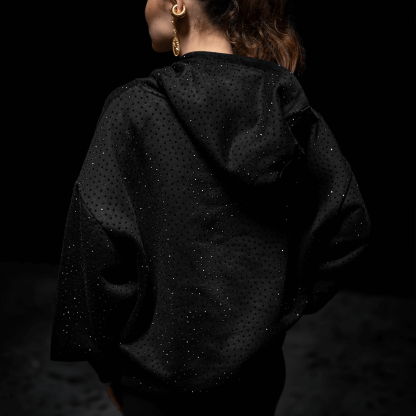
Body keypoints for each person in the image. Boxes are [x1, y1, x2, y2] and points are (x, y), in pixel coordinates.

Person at [49, 0, 372, 415]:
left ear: (178, 4)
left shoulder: (134, 110)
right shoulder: (288, 111)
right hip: (256, 381)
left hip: (153, 388)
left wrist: (110, 367)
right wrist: (275, 309)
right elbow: (347, 224)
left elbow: (95, 251)